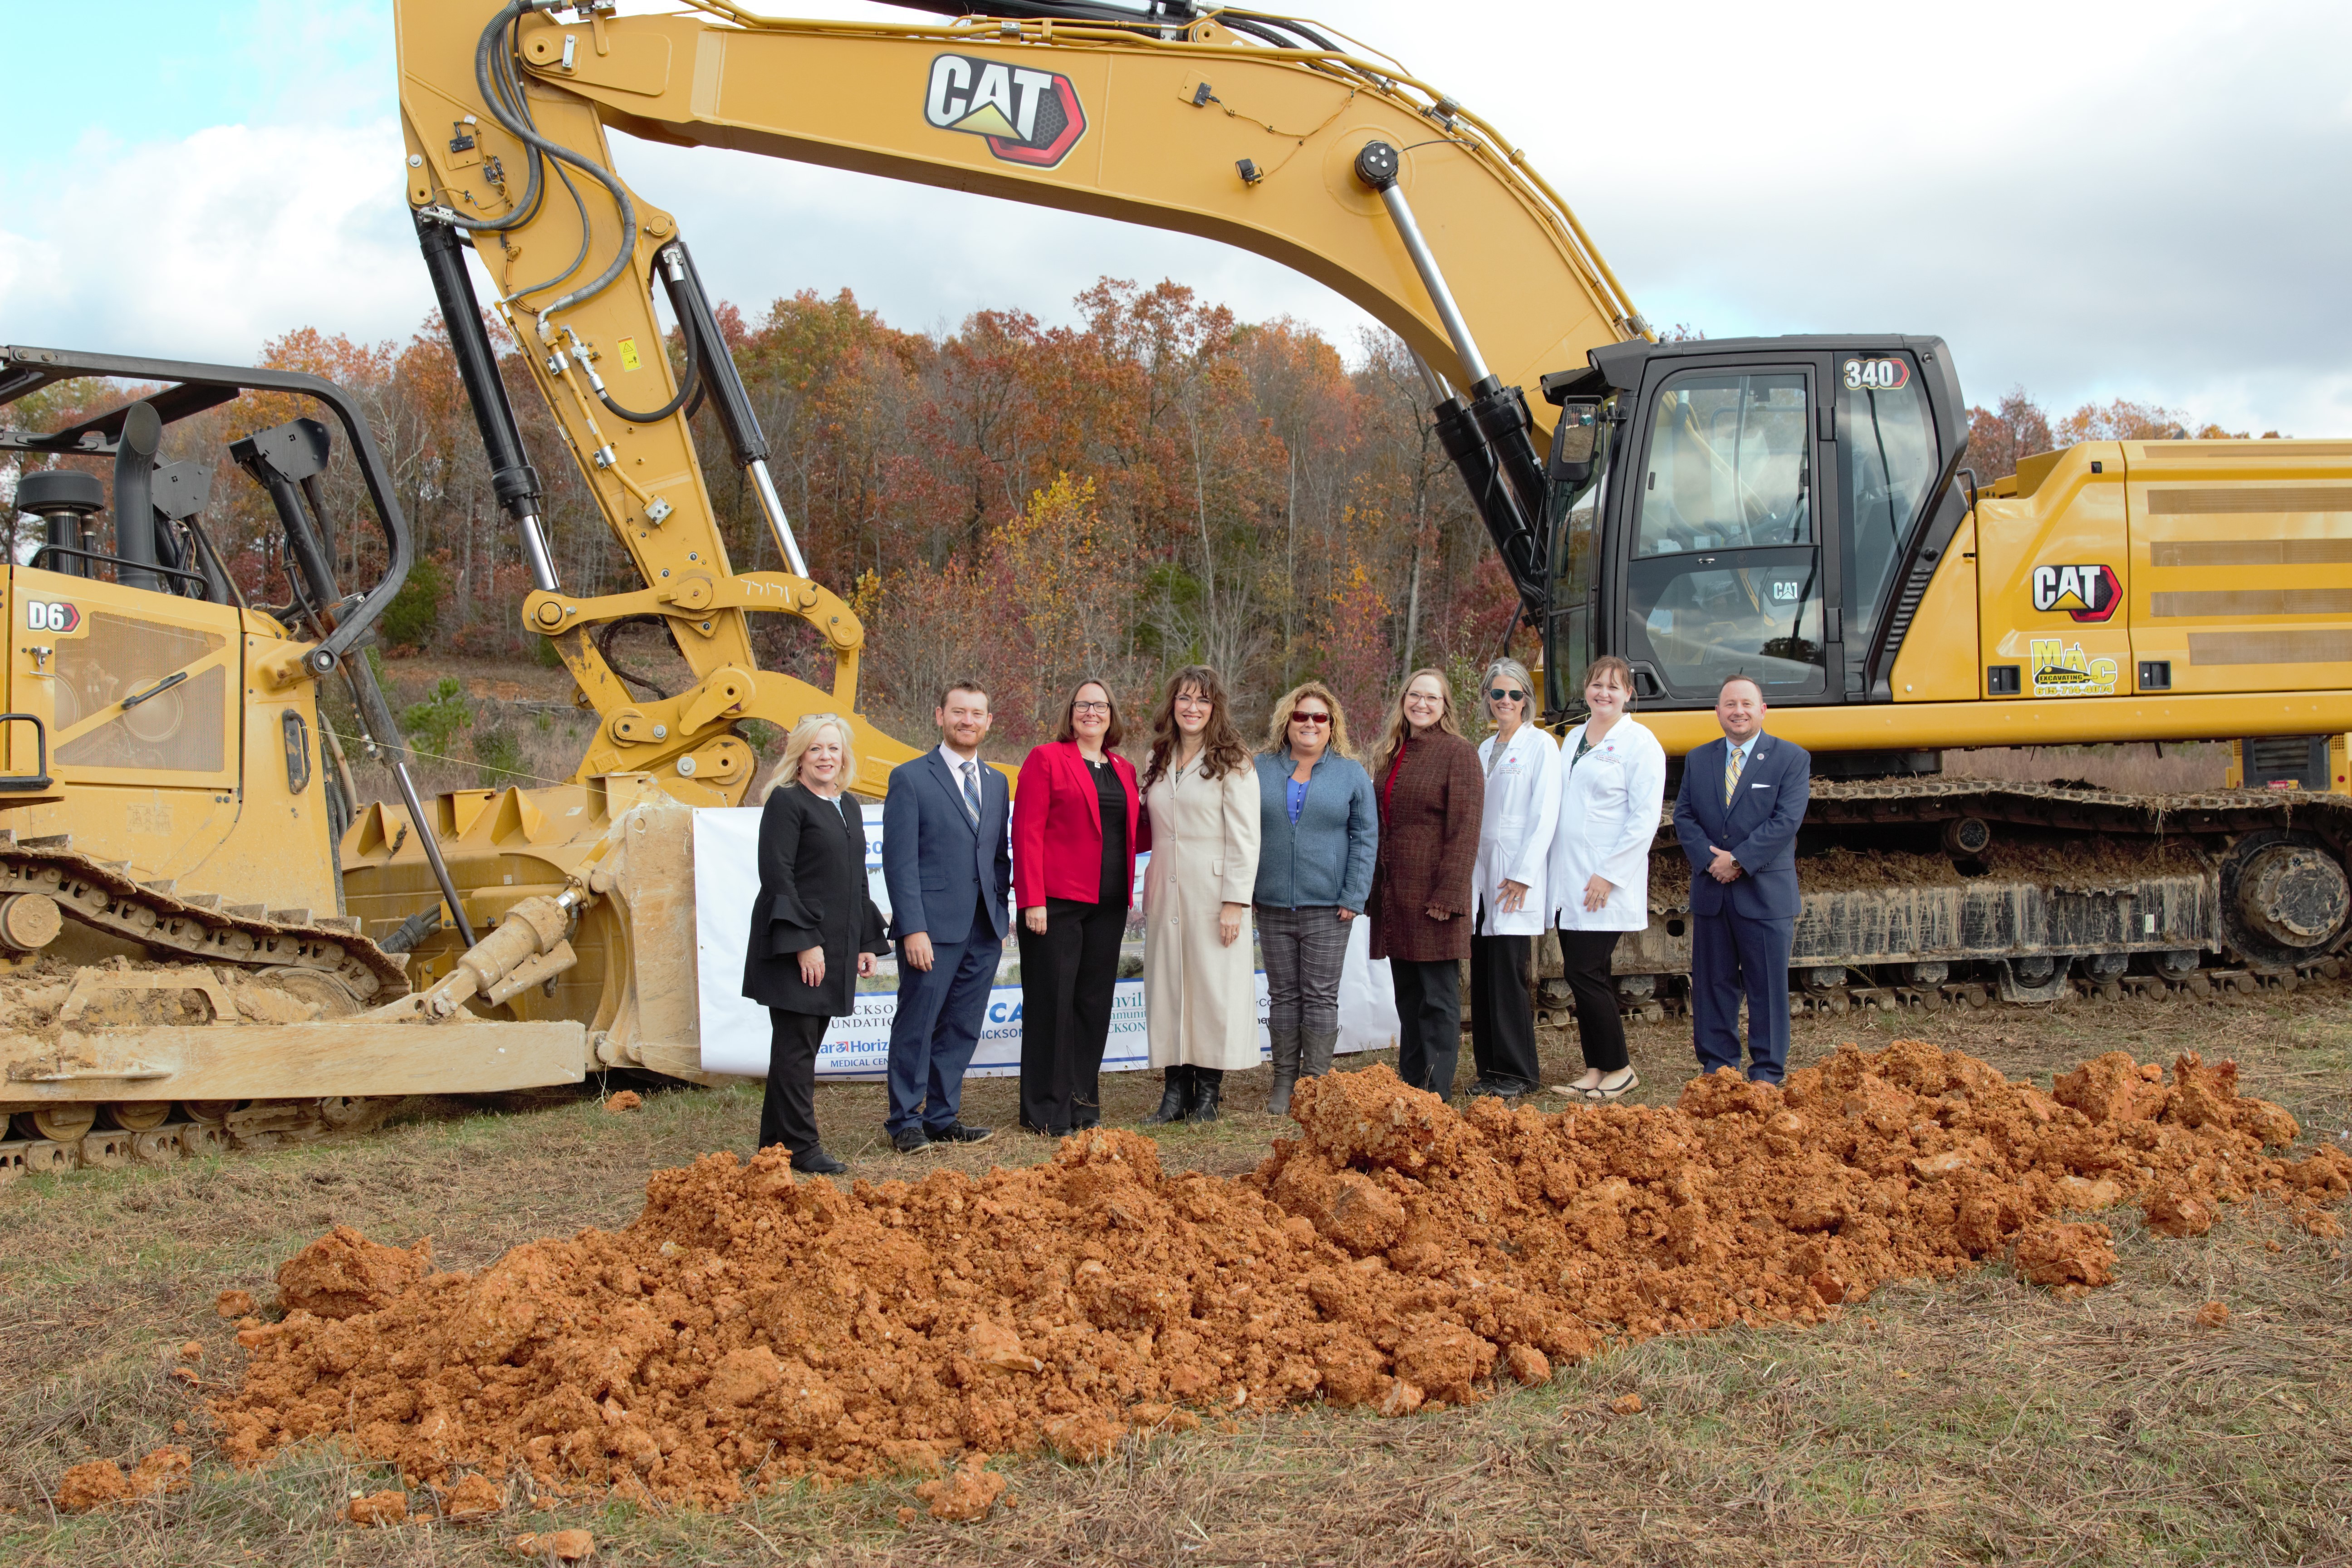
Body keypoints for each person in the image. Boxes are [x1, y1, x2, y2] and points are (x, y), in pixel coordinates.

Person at [740, 713, 888, 1175]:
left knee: (799, 1048)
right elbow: (778, 875)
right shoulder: (787, 802)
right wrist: (805, 943)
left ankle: (773, 1147)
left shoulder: (849, 806)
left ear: (845, 755)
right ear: (800, 756)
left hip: (838, 945)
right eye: (816, 749)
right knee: (796, 1048)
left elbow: (856, 880)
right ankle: (802, 1148)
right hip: (796, 946)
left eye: (834, 748)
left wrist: (866, 939)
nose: (826, 757)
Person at [878, 678, 1009, 1153]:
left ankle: (941, 1116)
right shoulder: (911, 778)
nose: (967, 721)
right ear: (940, 716)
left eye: (977, 713)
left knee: (961, 1025)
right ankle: (905, 1122)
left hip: (984, 928)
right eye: (958, 712)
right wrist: (912, 928)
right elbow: (900, 862)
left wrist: (1000, 911)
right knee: (918, 1023)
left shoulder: (996, 783)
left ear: (989, 722)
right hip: (931, 930)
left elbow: (996, 855)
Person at [1011, 678, 1146, 1137]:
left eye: (1101, 705)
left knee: (1093, 1005)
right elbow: (1027, 831)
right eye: (1083, 704)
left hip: (1108, 908)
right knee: (1053, 1006)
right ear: (1071, 713)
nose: (1092, 712)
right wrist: (1032, 899)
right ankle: (1046, 1111)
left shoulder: (1124, 769)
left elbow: (1135, 832)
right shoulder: (1046, 759)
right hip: (1055, 906)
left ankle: (1083, 1103)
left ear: (1113, 715)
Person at [1672, 673, 1810, 1085]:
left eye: (1747, 704)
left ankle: (1767, 1072)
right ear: (1718, 712)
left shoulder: (1791, 758)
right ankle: (1718, 1069)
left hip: (1765, 893)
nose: (1738, 711)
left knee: (1767, 986)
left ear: (1763, 710)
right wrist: (1711, 861)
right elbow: (1684, 815)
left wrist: (1739, 860)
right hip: (1713, 893)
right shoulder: (1699, 759)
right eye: (1730, 704)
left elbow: (1786, 821)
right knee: (1713, 985)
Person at [1138, 666, 1261, 1125]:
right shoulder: (1158, 758)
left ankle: (1207, 1095)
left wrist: (1235, 901)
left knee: (1212, 991)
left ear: (1216, 708)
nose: (1193, 708)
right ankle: (1174, 1094)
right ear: (1172, 705)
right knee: (1170, 987)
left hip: (1215, 895)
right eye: (1185, 699)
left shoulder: (1234, 761)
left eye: (1203, 700)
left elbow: (1247, 838)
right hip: (1166, 891)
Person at [1251, 680, 1376, 1116]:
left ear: (1332, 725)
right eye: (1301, 716)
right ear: (1287, 722)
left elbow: (1365, 837)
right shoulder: (1259, 768)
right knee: (1283, 995)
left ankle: (1315, 1084)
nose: (1309, 723)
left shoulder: (1351, 773)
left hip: (1329, 906)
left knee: (1320, 995)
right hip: (1271, 904)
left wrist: (1354, 895)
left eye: (1319, 717)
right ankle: (1284, 1080)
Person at [1548, 655, 1667, 1102]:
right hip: (1570, 878)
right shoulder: (1573, 737)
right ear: (1587, 688)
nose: (1604, 693)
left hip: (1604, 882)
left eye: (1614, 687)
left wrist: (1609, 875)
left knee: (1586, 971)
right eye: (1597, 684)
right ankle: (1596, 1068)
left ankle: (1620, 1069)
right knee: (1581, 974)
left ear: (1629, 694)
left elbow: (1644, 819)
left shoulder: (1640, 743)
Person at [1366, 667, 1484, 1099]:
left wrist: (1450, 895)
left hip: (1435, 897)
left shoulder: (1458, 753)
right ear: (1403, 701)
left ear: (1445, 706)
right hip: (1398, 895)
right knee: (1409, 998)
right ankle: (1411, 1086)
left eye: (1432, 698)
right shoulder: (1392, 752)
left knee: (1438, 1000)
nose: (1422, 704)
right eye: (1415, 696)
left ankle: (1436, 1092)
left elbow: (1466, 829)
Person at [1468, 657, 1560, 1100]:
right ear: (1488, 698)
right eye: (1498, 693)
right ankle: (1489, 1069)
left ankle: (1519, 1073)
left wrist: (1524, 874)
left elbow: (1545, 815)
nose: (1505, 701)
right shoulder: (1484, 749)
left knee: (1508, 973)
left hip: (1513, 875)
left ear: (1527, 698)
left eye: (1514, 694)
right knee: (1484, 972)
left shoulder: (1541, 746)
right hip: (1482, 875)